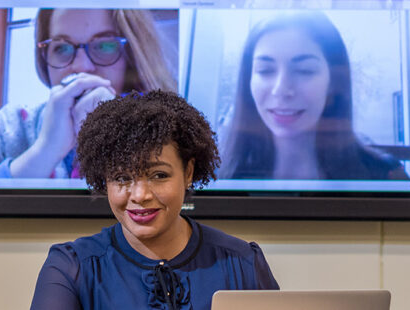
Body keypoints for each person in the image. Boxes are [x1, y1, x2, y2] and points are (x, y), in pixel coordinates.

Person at [30, 91, 279, 310]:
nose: (140, 195)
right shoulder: (70, 268)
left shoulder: (243, 262)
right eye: (122, 177)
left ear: (188, 173)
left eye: (159, 175)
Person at [0, 9, 177, 178]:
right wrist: (46, 149)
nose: (81, 66)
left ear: (132, 56)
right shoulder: (8, 126)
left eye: (105, 45)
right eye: (62, 47)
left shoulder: (173, 128)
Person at [219, 12, 409, 180]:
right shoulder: (213, 174)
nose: (281, 89)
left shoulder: (385, 175)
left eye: (305, 70)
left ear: (334, 82)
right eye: (265, 70)